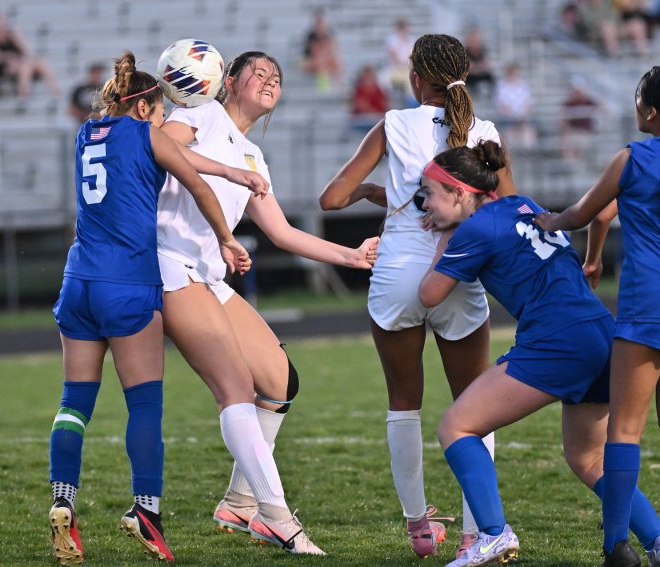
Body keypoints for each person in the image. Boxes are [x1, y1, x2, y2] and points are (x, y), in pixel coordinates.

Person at [156, 51, 379, 556]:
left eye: (277, 76)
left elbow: (281, 232)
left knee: (279, 380)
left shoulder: (254, 158)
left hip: (208, 276)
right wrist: (228, 174)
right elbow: (159, 149)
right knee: (235, 389)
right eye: (259, 71)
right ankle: (276, 516)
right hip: (168, 263)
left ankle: (238, 503)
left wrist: (352, 255)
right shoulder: (200, 114)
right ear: (227, 81)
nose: (270, 78)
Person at [47, 50, 262, 565]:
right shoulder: (146, 133)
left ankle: (63, 501)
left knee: (74, 402)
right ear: (145, 108)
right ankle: (146, 512)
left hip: (78, 280)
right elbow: (195, 180)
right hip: (127, 282)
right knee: (143, 404)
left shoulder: (86, 134)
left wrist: (231, 169)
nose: (166, 123)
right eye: (162, 113)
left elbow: (181, 157)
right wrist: (227, 238)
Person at [319, 33, 516, 560]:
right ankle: (479, 532)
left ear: (415, 78)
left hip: (398, 272)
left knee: (403, 404)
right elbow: (506, 208)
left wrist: (372, 192)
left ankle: (419, 531)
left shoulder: (392, 123)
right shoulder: (486, 132)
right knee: (476, 407)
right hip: (457, 271)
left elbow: (331, 198)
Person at [418, 140, 660, 567]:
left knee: (456, 427)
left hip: (557, 339)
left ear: (459, 192)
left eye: (430, 193)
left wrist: (446, 236)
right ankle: (657, 541)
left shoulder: (473, 228)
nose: (426, 204)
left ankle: (494, 534)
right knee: (589, 457)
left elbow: (429, 294)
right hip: (601, 332)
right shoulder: (523, 204)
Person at [535, 66, 660, 567]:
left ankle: (617, 549)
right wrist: (597, 251)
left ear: (649, 110)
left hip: (647, 304)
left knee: (624, 431)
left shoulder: (633, 158)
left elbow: (585, 212)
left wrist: (549, 221)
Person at [0, 11, 60, 97]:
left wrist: (16, 38)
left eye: (0, 23)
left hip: (20, 63)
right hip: (5, 67)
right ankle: (23, 94)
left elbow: (25, 51)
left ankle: (54, 90)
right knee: (25, 66)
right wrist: (9, 57)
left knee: (41, 62)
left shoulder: (12, 34)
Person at [493, 62, 537, 150]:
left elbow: (529, 104)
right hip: (508, 118)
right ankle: (513, 156)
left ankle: (528, 154)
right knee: (510, 133)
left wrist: (523, 116)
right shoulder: (501, 86)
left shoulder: (523, 85)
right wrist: (514, 117)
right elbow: (502, 105)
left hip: (522, 117)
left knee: (528, 132)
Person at [300, 9, 344, 93]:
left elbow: (332, 50)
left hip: (322, 60)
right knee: (320, 61)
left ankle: (340, 83)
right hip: (308, 62)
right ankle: (324, 88)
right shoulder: (311, 36)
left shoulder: (329, 34)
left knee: (336, 61)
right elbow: (315, 53)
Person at [560, 81, 599, 162]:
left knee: (582, 144)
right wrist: (565, 133)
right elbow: (564, 121)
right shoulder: (569, 104)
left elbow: (601, 107)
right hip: (574, 131)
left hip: (585, 132)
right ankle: (572, 165)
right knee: (568, 143)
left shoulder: (588, 102)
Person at [349, 64, 389, 132]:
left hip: (378, 120)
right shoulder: (359, 90)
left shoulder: (379, 89)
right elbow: (361, 105)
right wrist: (372, 115)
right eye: (367, 77)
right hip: (362, 121)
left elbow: (385, 104)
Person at [463, 27, 496, 99]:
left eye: (476, 40)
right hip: (469, 77)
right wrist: (479, 67)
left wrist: (476, 67)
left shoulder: (483, 50)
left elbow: (487, 65)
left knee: (490, 78)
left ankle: (489, 97)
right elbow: (469, 68)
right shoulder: (465, 51)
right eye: (473, 40)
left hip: (480, 75)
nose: (475, 42)